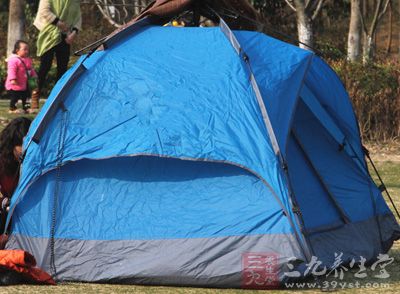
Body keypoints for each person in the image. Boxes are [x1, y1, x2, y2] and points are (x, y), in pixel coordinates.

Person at [34, 0, 82, 95]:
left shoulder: (74, 2)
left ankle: (57, 95)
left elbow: (78, 17)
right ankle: (35, 93)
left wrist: (74, 33)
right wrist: (60, 24)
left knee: (62, 67)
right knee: (45, 66)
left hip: (66, 36)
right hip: (48, 34)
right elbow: (44, 11)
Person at [0, 117, 32, 235]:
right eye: (22, 147)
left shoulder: (36, 162)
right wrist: (5, 202)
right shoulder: (2, 163)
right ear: (12, 145)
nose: (26, 152)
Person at [4, 40, 38, 114]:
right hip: (15, 84)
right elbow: (11, 70)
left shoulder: (27, 60)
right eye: (24, 49)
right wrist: (13, 79)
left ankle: (27, 108)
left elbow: (30, 69)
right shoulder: (13, 60)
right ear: (17, 50)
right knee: (15, 97)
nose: (27, 51)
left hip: (24, 84)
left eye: (27, 49)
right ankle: (12, 108)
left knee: (27, 97)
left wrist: (34, 75)